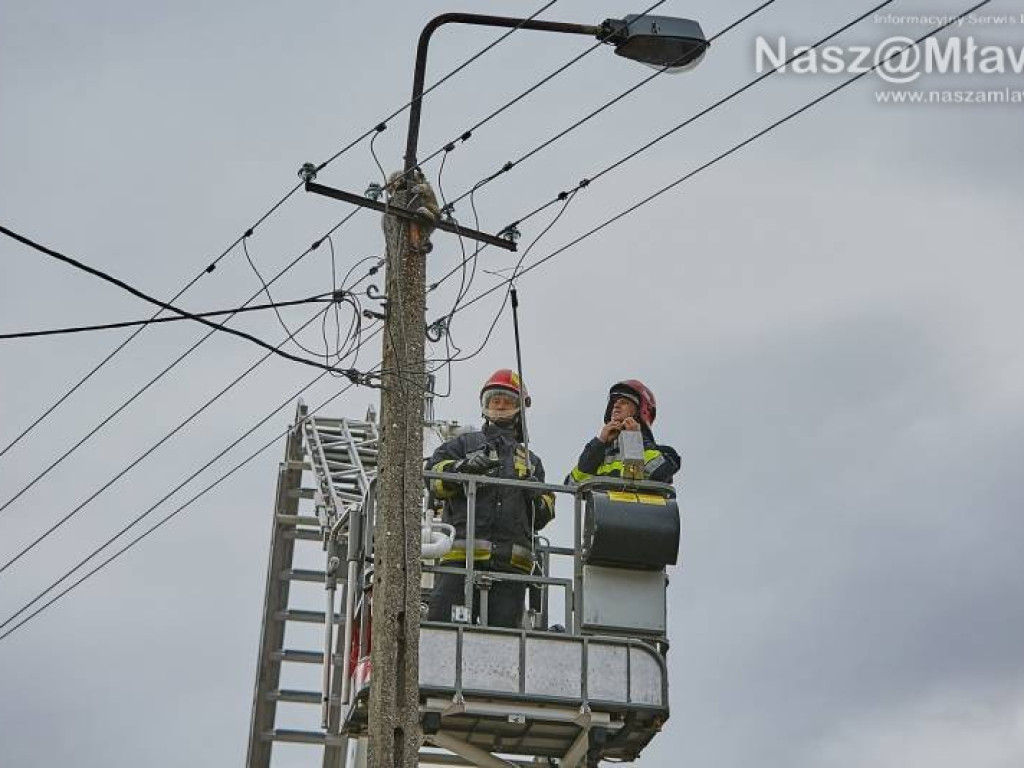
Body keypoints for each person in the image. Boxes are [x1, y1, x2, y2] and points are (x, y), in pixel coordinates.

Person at [426, 369, 555, 628]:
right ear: (485, 406)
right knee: (444, 632)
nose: (500, 406)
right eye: (495, 400)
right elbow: (432, 479)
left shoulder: (531, 461)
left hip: (511, 567)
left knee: (503, 643)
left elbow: (545, 514)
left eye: (507, 401)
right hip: (460, 562)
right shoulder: (463, 445)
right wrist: (462, 468)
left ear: (519, 409)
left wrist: (534, 494)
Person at [568, 379, 681, 485]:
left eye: (624, 402)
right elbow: (573, 483)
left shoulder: (666, 455)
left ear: (640, 412)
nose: (616, 405)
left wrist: (633, 440)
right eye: (614, 403)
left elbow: (659, 473)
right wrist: (600, 443)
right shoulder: (600, 457)